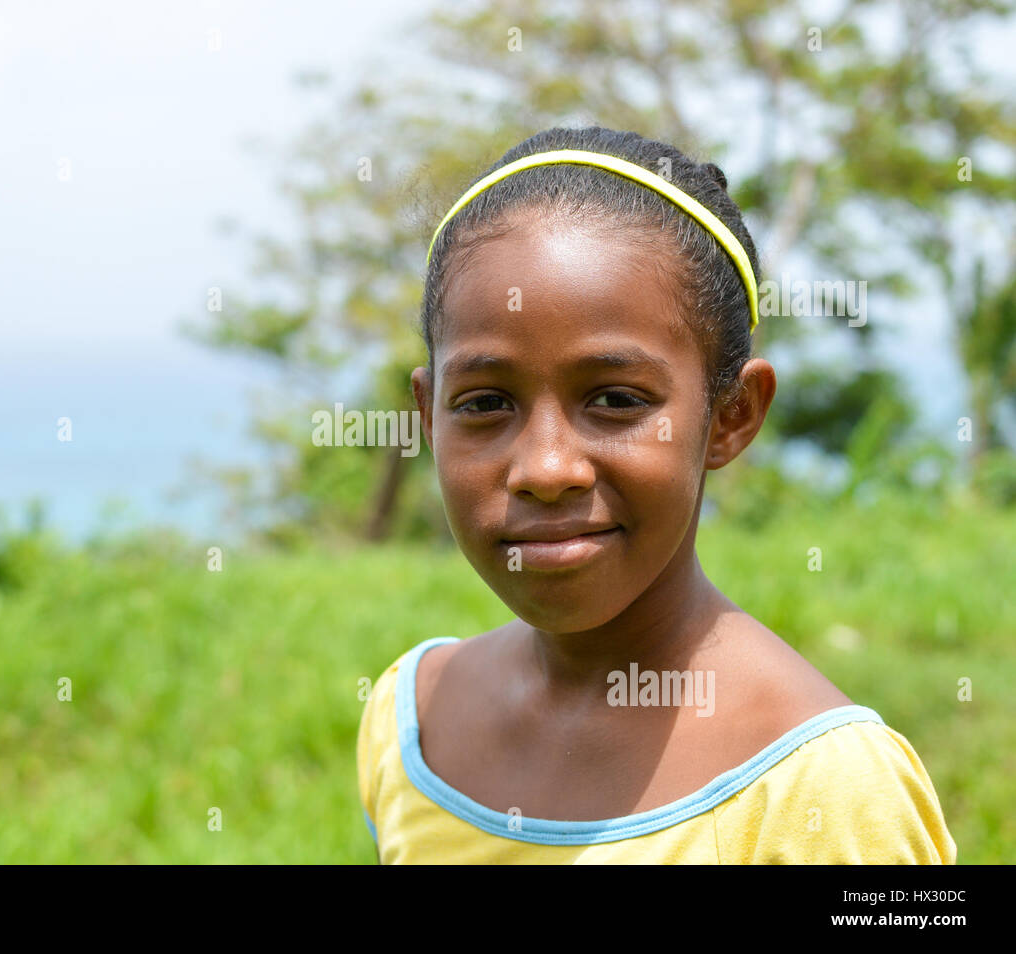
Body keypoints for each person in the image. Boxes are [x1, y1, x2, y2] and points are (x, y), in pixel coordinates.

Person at [356, 125, 956, 864]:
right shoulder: (412, 717)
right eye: (485, 404)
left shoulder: (822, 788)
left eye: (614, 399)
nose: (546, 468)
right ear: (427, 415)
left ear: (731, 415)